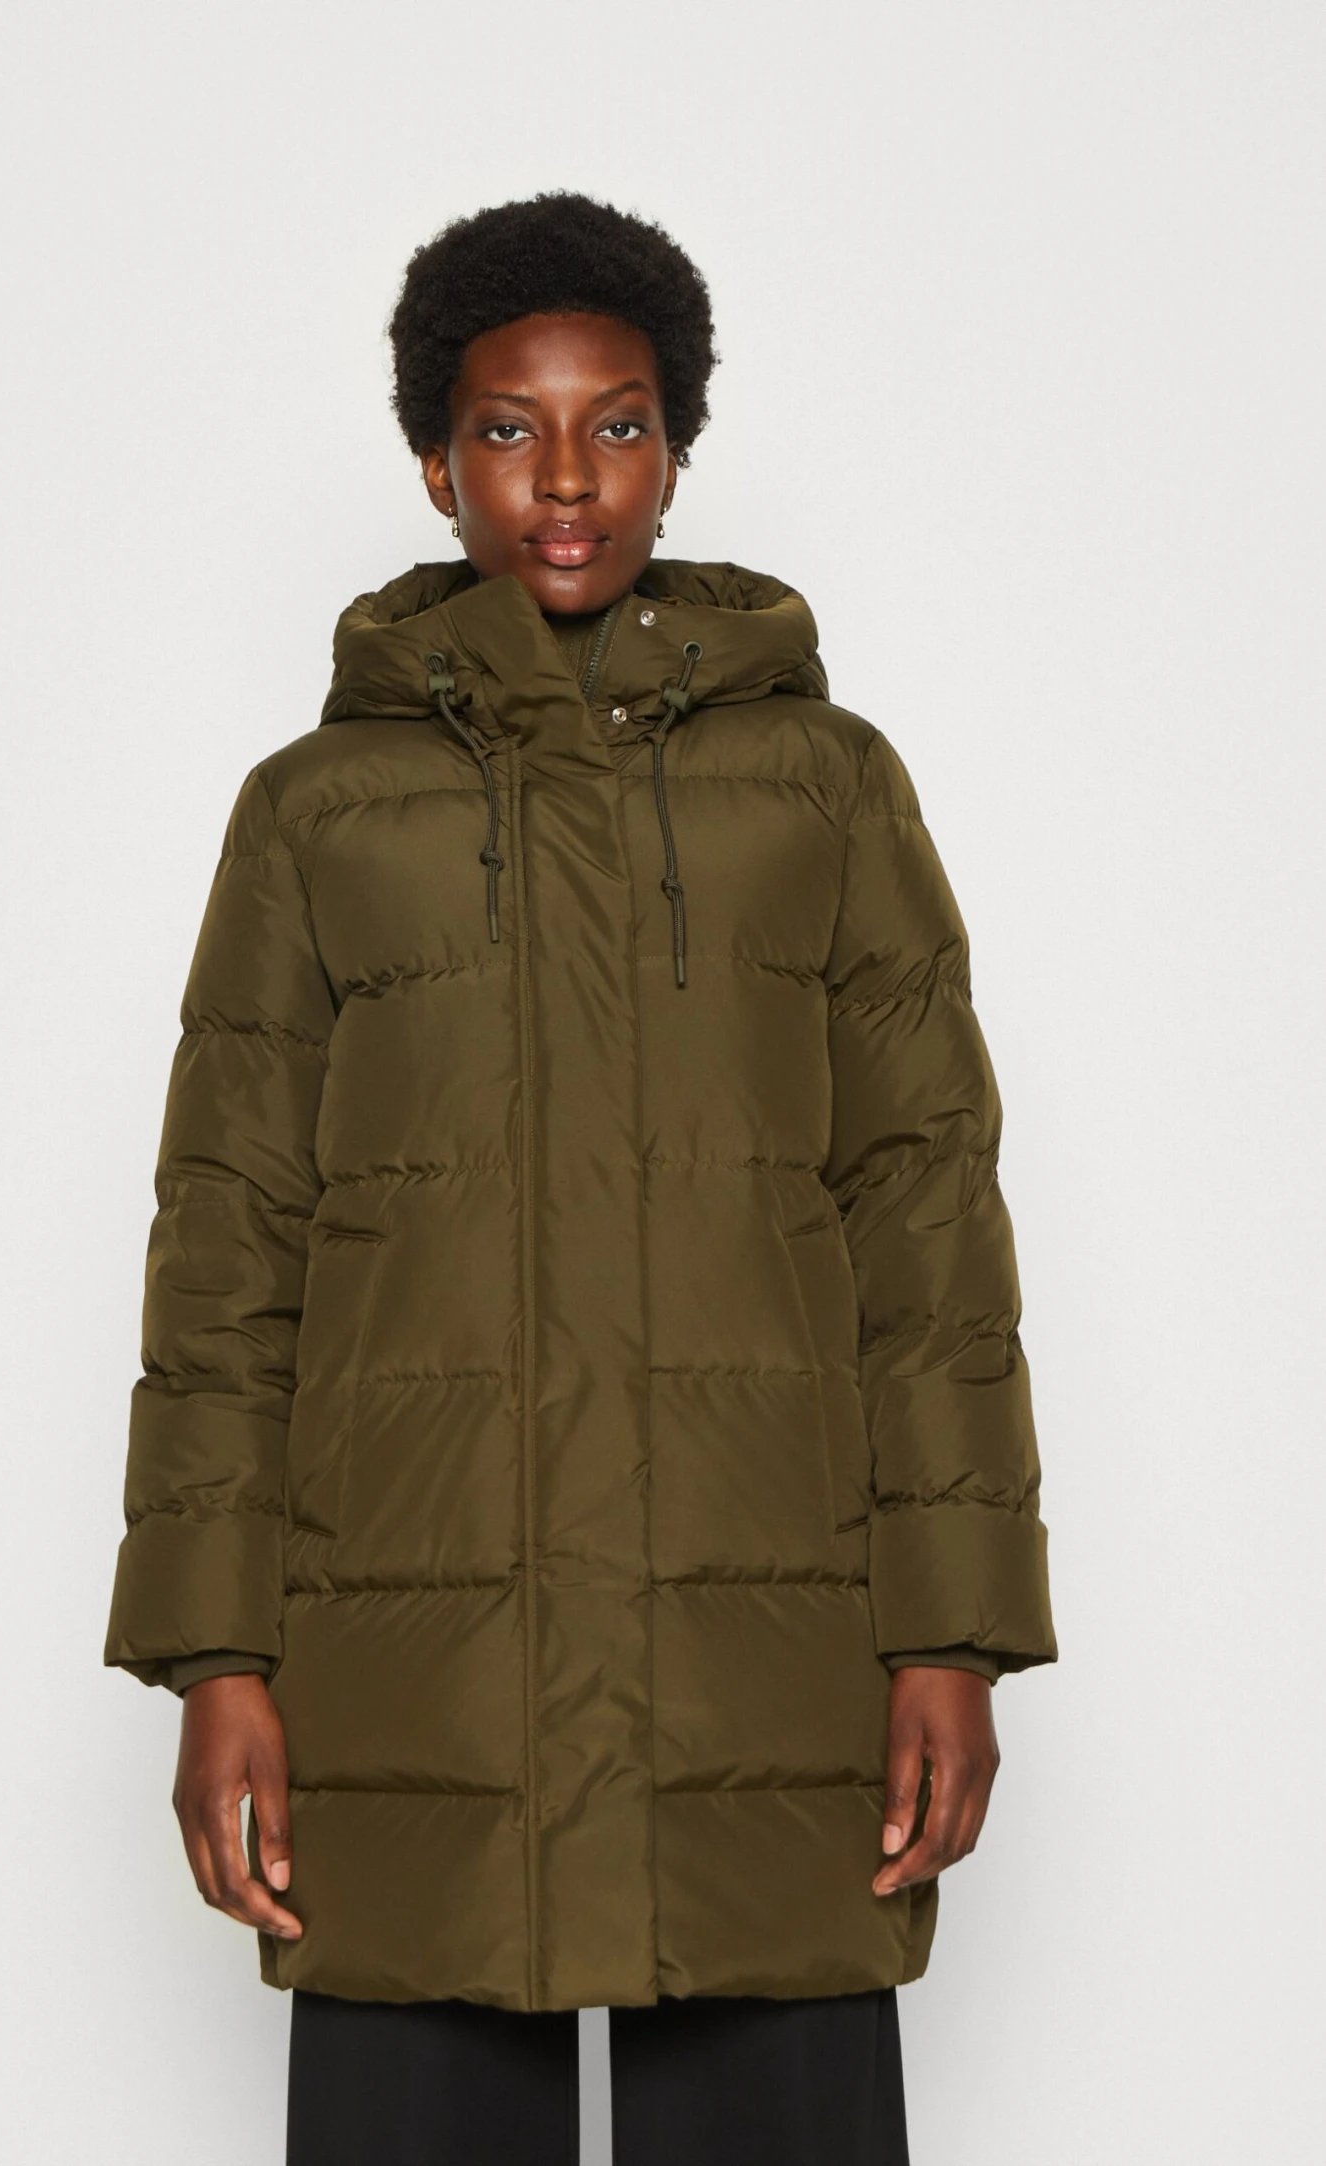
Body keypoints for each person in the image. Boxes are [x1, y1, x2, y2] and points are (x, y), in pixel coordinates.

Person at [104, 191, 1057, 2165]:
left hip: (761, 1656)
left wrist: (951, 1633)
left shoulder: (826, 787)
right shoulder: (313, 816)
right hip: (417, 1671)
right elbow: (226, 1251)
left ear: (678, 448)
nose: (564, 478)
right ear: (433, 462)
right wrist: (217, 1656)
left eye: (617, 424)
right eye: (508, 428)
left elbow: (928, 1223)